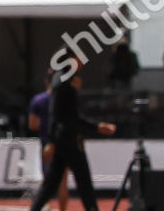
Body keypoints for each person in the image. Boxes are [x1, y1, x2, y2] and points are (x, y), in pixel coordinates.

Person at [26, 57, 117, 211]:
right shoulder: (64, 85)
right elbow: (61, 116)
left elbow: (37, 122)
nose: (81, 62)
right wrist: (51, 141)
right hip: (69, 139)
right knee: (82, 179)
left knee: (52, 181)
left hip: (59, 138)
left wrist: (51, 140)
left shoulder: (58, 83)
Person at [28, 75, 67, 211]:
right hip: (63, 142)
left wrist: (45, 128)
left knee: (47, 179)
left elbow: (32, 124)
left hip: (47, 143)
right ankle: (62, 209)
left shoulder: (38, 100)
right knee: (63, 182)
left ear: (46, 81)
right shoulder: (64, 99)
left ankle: (46, 205)